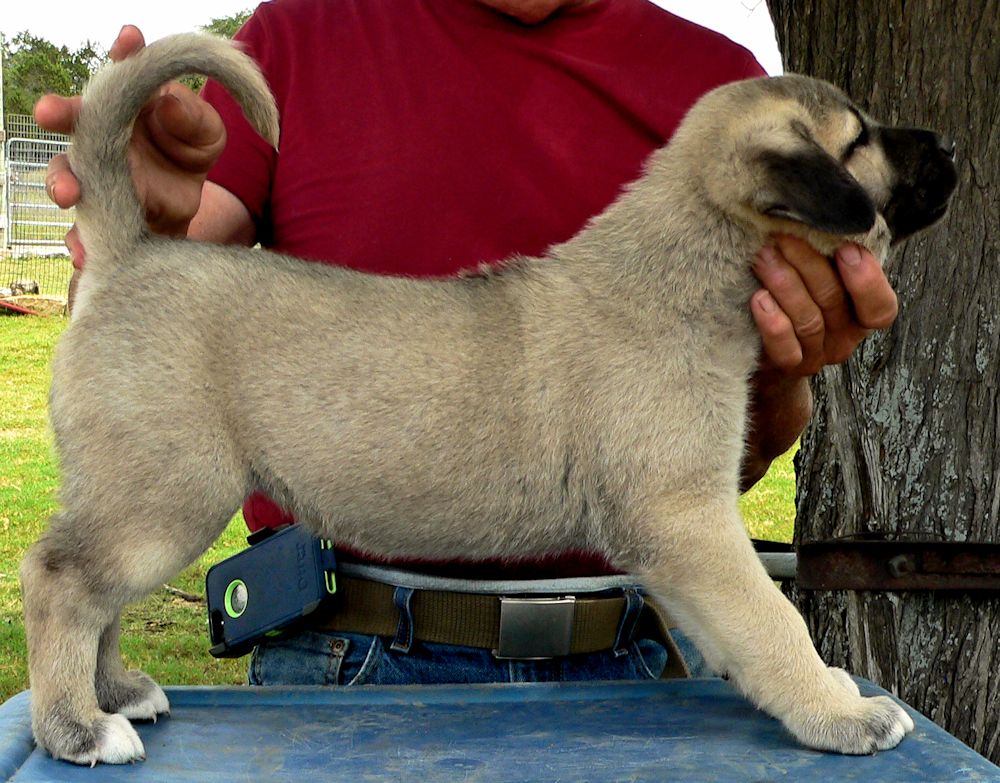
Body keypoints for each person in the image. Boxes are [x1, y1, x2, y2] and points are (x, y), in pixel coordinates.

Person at [37, 0, 898, 686]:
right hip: (346, 657)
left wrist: (790, 362)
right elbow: (163, 306)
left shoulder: (721, 92)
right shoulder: (301, 33)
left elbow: (716, 463)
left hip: (637, 651)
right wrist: (145, 229)